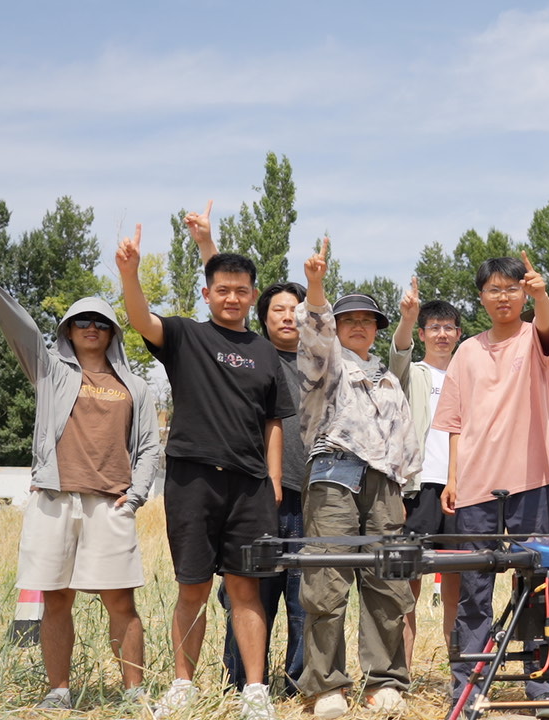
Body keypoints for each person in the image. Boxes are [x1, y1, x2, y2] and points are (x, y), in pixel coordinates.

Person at [0, 239, 159, 712]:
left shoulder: (136, 386)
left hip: (109, 503)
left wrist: (134, 497)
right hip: (54, 500)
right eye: (81, 322)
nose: (91, 328)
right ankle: (59, 692)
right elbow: (22, 328)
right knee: (55, 601)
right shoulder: (50, 372)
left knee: (121, 604)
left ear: (112, 332)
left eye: (100, 323)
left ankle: (133, 693)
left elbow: (151, 446)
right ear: (68, 331)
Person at [117, 224, 294, 720]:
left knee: (245, 587)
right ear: (207, 293)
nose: (232, 297)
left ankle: (254, 691)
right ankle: (183, 684)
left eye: (241, 290)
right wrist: (130, 274)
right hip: (192, 479)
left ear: (252, 295)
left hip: (251, 485)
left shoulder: (264, 352)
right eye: (223, 290)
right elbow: (139, 319)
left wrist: (275, 482)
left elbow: (274, 422)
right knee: (192, 586)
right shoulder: (185, 335)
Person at [185, 202, 308, 698]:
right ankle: (240, 685)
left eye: (296, 309)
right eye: (277, 308)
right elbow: (225, 291)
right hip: (253, 492)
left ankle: (300, 685)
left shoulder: (325, 359)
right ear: (263, 314)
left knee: (305, 599)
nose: (288, 316)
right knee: (247, 591)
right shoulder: (250, 353)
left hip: (307, 494)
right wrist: (204, 244)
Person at [433, 252, 549, 716]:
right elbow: (454, 423)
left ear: (524, 293)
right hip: (475, 489)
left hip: (531, 482)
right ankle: (468, 686)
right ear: (482, 297)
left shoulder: (535, 337)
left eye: (513, 288)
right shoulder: (466, 351)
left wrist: (543, 294)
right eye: (494, 289)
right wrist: (452, 479)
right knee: (474, 592)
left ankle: (543, 687)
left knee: (538, 587)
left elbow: (547, 324)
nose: (503, 296)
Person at [296, 238, 419, 719]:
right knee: (326, 581)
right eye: (350, 320)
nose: (359, 327)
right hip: (335, 476)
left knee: (387, 582)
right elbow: (314, 334)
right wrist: (316, 285)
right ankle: (326, 685)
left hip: (384, 483)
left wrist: (402, 489)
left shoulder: (386, 377)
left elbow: (403, 436)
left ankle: (384, 679)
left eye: (368, 320)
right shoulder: (325, 367)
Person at [388, 279, 463, 665]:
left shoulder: (469, 375)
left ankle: (458, 674)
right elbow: (398, 351)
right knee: (407, 589)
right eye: (434, 327)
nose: (442, 334)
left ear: (458, 334)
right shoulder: (411, 373)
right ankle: (400, 676)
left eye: (449, 327)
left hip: (460, 491)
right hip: (417, 490)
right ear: (423, 334)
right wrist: (407, 316)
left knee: (456, 585)